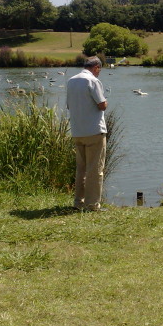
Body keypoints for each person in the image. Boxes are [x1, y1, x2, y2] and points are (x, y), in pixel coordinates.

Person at [66, 56, 108, 212]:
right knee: (95, 169)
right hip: (94, 131)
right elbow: (102, 105)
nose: (99, 74)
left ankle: (78, 202)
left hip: (77, 131)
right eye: (99, 70)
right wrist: (106, 101)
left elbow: (69, 106)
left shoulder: (71, 81)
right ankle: (92, 205)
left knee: (81, 168)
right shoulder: (93, 81)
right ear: (96, 67)